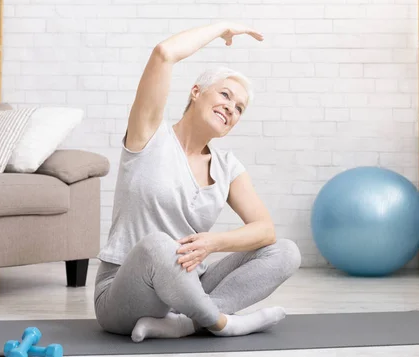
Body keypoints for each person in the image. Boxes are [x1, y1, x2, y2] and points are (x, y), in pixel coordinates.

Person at [94, 21, 302, 343]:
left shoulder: (227, 167)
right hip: (124, 291)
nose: (231, 108)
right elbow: (164, 53)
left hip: (188, 286)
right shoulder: (149, 134)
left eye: (239, 108)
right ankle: (221, 322)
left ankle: (186, 323)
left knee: (285, 251)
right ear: (196, 92)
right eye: (225, 95)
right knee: (159, 244)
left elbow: (265, 230)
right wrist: (223, 29)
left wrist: (212, 242)